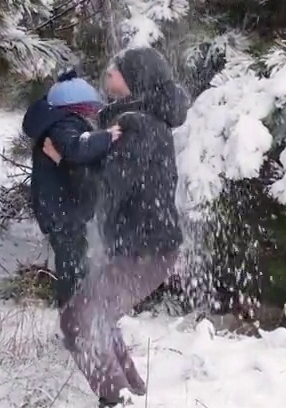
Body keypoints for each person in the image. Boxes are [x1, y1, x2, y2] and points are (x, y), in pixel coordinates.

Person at [55, 46, 188, 407]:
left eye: (117, 70)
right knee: (97, 316)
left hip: (145, 250)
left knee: (79, 320)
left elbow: (108, 185)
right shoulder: (139, 120)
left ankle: (118, 401)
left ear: (135, 80)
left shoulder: (138, 125)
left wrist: (67, 163)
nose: (109, 73)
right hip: (144, 246)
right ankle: (132, 394)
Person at [21, 70, 122, 309]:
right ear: (77, 107)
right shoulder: (64, 126)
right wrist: (106, 138)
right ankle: (73, 312)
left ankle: (77, 309)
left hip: (61, 207)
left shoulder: (58, 124)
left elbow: (73, 161)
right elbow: (78, 149)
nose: (93, 114)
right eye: (89, 109)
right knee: (72, 263)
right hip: (62, 208)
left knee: (75, 259)